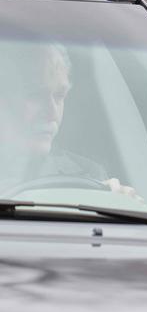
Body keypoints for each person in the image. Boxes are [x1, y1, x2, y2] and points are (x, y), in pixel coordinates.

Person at [0, 42, 138, 199]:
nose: (52, 113)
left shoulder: (90, 176)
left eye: (59, 96)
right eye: (35, 94)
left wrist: (121, 205)